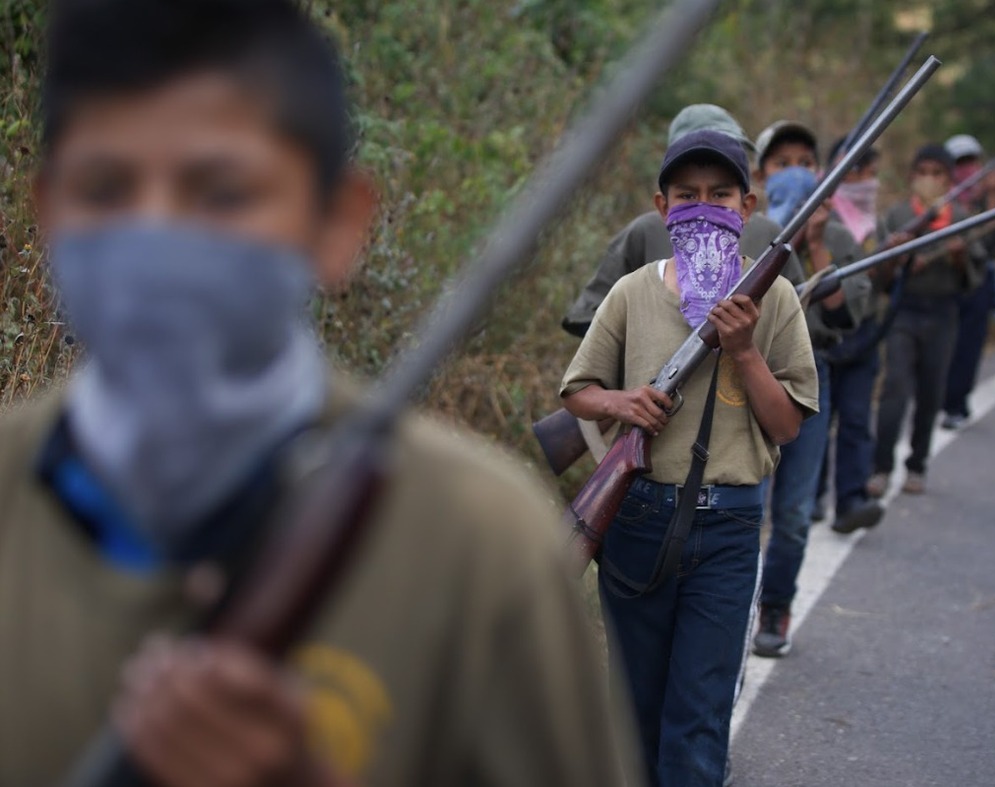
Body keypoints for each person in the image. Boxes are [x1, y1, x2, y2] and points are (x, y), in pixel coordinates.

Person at [0, 2, 640, 786]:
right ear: (48, 211)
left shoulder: (483, 548)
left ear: (338, 222)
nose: (157, 234)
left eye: (221, 192)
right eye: (105, 189)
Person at [560, 129, 817, 786]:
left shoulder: (776, 297)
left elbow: (786, 425)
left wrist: (745, 350)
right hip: (639, 516)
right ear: (661, 205)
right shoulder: (631, 293)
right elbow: (579, 393)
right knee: (634, 715)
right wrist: (625, 405)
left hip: (728, 527)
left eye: (720, 195)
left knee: (698, 723)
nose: (704, 207)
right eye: (687, 196)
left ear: (747, 205)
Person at [750, 122, 876, 658]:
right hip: (746, 377)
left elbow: (848, 314)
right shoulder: (744, 230)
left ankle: (776, 605)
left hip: (808, 378)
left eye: (805, 160)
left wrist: (817, 246)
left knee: (796, 511)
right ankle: (732, 607)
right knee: (746, 508)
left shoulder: (840, 235)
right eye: (781, 164)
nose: (795, 172)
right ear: (759, 176)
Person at [560, 104, 796, 336]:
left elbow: (799, 317)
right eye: (688, 194)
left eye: (729, 146)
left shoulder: (769, 234)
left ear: (747, 205)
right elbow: (589, 317)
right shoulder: (644, 232)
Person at [867, 144, 986, 497]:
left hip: (944, 314)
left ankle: (917, 464)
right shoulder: (898, 215)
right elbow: (881, 281)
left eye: (938, 174)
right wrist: (895, 256)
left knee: (931, 392)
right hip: (905, 311)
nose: (929, 180)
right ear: (911, 177)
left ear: (950, 181)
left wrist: (959, 256)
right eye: (923, 172)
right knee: (895, 391)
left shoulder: (962, 218)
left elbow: (973, 282)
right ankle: (881, 468)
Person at [820, 137, 890, 536]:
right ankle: (811, 497)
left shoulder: (875, 223)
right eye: (853, 171)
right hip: (827, 337)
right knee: (818, 420)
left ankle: (851, 500)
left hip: (865, 334)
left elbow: (880, 284)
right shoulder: (816, 218)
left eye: (868, 172)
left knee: (858, 419)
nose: (863, 180)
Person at [939, 133, 995, 430]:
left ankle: (956, 404)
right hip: (944, 288)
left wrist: (993, 198)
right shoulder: (940, 204)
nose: (966, 169)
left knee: (968, 348)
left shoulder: (991, 199)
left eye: (971, 162)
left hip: (977, 284)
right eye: (959, 163)